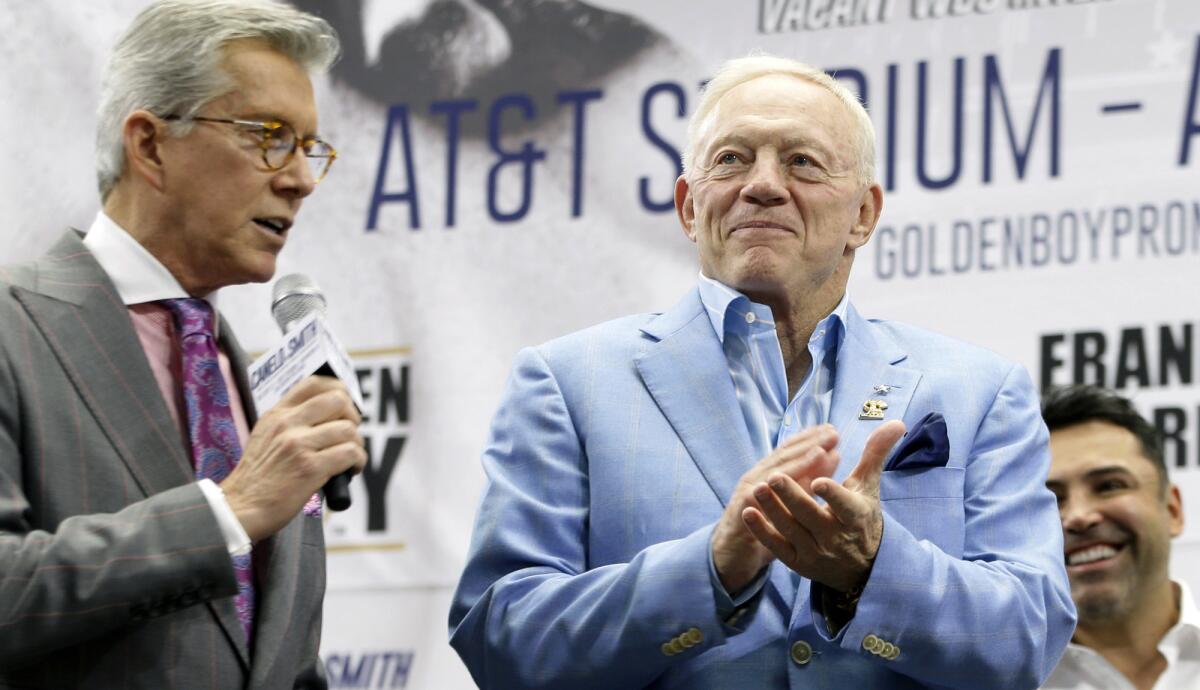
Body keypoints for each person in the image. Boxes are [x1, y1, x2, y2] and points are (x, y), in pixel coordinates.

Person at [449, 54, 1076, 689]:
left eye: (802, 161)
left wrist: (872, 566)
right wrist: (710, 570)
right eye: (731, 159)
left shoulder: (982, 390)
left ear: (864, 213)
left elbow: (1027, 636)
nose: (763, 184)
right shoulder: (566, 381)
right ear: (690, 208)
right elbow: (502, 638)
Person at [0, 2, 366, 688]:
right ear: (150, 144)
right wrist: (228, 513)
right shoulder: (13, 323)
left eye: (310, 148)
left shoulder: (255, 383)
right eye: (269, 136)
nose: (300, 180)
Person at [1041, 386, 1194, 690]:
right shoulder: (992, 680)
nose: (1079, 517)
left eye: (1109, 485)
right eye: (1051, 499)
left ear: (1173, 509)